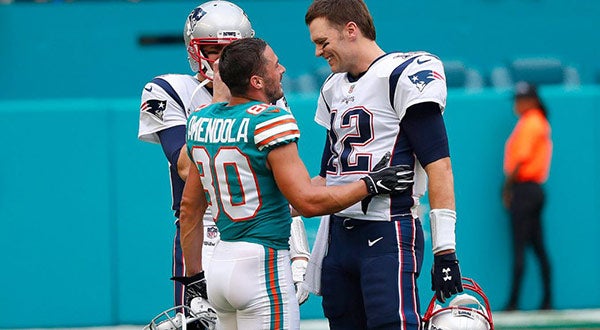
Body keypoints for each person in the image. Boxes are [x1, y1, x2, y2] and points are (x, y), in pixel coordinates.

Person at [178, 37, 414, 330]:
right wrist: (370, 184)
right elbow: (307, 202)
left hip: (219, 266)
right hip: (261, 266)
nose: (283, 69)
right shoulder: (270, 120)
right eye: (275, 65)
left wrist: (193, 278)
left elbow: (189, 209)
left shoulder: (200, 120)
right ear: (257, 81)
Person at [137, 0, 311, 316]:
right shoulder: (172, 90)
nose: (224, 61)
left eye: (234, 50)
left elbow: (283, 184)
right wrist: (219, 103)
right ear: (194, 50)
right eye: (215, 50)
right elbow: (186, 168)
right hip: (201, 237)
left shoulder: (269, 97)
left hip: (262, 236)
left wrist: (300, 254)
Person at [302, 0, 463, 328]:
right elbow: (327, 177)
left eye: (323, 42)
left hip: (387, 230)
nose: (318, 53)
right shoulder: (332, 88)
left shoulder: (403, 74)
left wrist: (445, 249)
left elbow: (439, 166)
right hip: (338, 236)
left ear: (351, 30)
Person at [502, 81, 553, 311]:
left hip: (525, 189)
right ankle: (547, 300)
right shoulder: (535, 121)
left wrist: (506, 187)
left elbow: (521, 159)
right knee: (537, 246)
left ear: (531, 101)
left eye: (520, 99)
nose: (517, 104)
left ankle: (514, 302)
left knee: (520, 246)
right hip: (534, 190)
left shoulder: (531, 121)